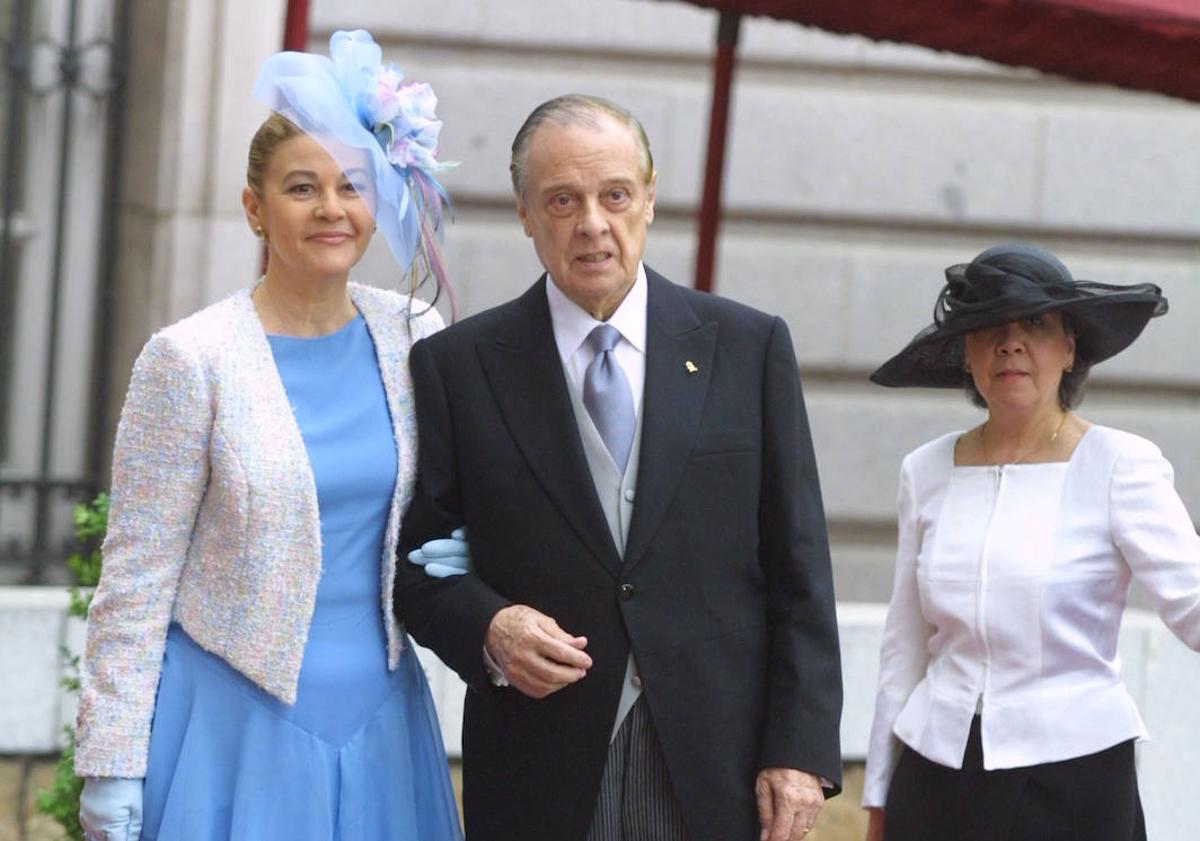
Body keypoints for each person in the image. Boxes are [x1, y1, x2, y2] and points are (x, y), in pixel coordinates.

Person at [394, 94, 843, 841]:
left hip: (717, 766)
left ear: (650, 200)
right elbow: (415, 568)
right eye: (562, 200)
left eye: (614, 195)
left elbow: (801, 571)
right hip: (541, 765)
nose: (592, 224)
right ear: (525, 214)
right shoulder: (457, 367)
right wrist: (490, 626)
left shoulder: (748, 346)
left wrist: (799, 751)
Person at [74, 30, 464, 841]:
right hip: (227, 727)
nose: (331, 209)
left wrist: (477, 545)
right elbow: (136, 580)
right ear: (255, 206)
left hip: (386, 722)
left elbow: (456, 497)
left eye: (352, 185)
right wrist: (111, 763)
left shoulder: (414, 335)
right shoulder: (192, 358)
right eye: (301, 187)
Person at [862, 242, 1200, 841]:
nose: (1010, 344)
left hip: (1074, 784)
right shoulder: (926, 469)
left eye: (1036, 326)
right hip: (936, 779)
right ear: (966, 353)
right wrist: (880, 795)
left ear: (1070, 348)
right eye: (989, 327)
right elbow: (904, 646)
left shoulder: (1120, 464)